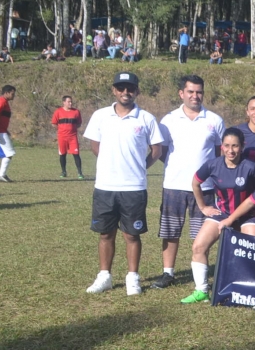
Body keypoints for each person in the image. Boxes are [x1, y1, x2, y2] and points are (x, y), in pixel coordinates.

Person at [83, 72, 164, 295]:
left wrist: (137, 167)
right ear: (114, 90)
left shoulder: (146, 118)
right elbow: (95, 146)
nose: (125, 92)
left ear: (137, 91)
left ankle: (132, 278)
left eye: (130, 88)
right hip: (105, 186)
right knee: (105, 233)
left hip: (134, 188)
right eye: (121, 88)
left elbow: (156, 151)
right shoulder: (100, 116)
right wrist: (111, 165)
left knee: (132, 234)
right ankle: (104, 276)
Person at [153, 75, 226, 290]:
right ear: (181, 93)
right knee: (170, 231)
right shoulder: (168, 120)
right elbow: (162, 151)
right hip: (174, 185)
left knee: (201, 235)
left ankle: (200, 275)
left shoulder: (214, 120)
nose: (195, 96)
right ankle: (168, 273)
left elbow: (221, 152)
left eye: (199, 92)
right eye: (191, 91)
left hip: (205, 188)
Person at [180, 128, 255, 304]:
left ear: (242, 146)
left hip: (248, 215)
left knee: (253, 251)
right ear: (222, 147)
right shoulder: (213, 165)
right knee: (198, 247)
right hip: (223, 213)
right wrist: (203, 206)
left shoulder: (252, 167)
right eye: (226, 145)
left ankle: (252, 291)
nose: (230, 150)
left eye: (235, 146)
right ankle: (202, 291)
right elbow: (195, 183)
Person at [51, 95, 84, 179]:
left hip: (73, 136)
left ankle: (80, 173)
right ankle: (63, 171)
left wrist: (72, 129)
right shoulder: (58, 112)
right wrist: (61, 129)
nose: (70, 103)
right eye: (68, 101)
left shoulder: (76, 112)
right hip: (62, 137)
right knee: (62, 154)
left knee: (76, 154)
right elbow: (54, 123)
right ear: (64, 102)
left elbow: (79, 123)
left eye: (71, 101)